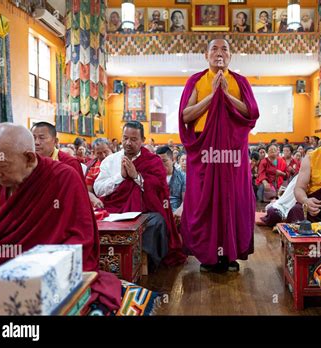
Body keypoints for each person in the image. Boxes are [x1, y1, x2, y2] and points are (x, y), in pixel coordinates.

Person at [0, 123, 121, 314]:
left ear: (29, 158)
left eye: (3, 166)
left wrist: (39, 268)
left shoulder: (63, 178)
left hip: (41, 269)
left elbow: (81, 240)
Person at [179, 38, 259, 273]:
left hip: (233, 150)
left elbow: (251, 112)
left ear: (231, 56)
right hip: (205, 149)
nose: (219, 53)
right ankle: (209, 255)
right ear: (206, 55)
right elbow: (185, 115)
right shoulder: (196, 80)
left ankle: (230, 254)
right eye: (214, 49)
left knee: (233, 198)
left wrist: (226, 94)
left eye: (225, 48)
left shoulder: (239, 81)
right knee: (206, 199)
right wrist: (212, 95)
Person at [94, 121, 186, 268]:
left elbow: (159, 190)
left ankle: (140, 264)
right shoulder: (110, 161)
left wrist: (136, 176)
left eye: (134, 139)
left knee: (157, 222)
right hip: (114, 212)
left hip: (144, 213)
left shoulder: (153, 161)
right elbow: (98, 189)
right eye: (125, 138)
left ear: (142, 140)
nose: (128, 143)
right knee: (94, 222)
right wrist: (121, 177)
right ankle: (108, 264)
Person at [156, 146, 185, 224]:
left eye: (164, 161)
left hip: (176, 213)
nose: (161, 164)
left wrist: (180, 210)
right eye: (158, 161)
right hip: (159, 214)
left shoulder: (182, 177)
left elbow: (185, 200)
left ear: (172, 160)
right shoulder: (154, 177)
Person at [85, 138, 112, 209]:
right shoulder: (92, 169)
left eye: (105, 152)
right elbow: (88, 191)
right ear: (94, 153)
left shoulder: (119, 161)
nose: (103, 155)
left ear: (110, 149)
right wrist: (94, 199)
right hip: (101, 203)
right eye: (99, 153)